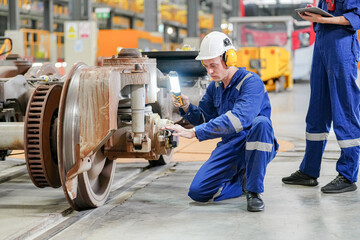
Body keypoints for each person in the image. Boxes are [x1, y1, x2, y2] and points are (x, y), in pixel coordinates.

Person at [165, 31, 278, 212]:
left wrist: (194, 133)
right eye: (206, 65)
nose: (210, 71)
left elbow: (239, 119)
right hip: (230, 146)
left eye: (214, 65)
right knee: (198, 192)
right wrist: (187, 107)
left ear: (229, 58)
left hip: (254, 142)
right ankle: (240, 180)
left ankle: (254, 191)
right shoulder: (215, 87)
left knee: (261, 123)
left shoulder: (252, 83)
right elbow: (204, 117)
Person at [282, 1, 360, 193]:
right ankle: (309, 171)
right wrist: (314, 12)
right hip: (322, 44)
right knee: (317, 110)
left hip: (341, 44)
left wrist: (320, 18)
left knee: (345, 110)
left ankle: (348, 175)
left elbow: (355, 16)